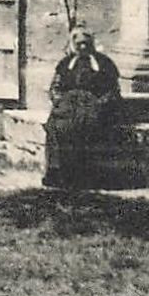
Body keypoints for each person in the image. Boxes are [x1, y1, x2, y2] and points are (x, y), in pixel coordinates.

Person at [43, 27, 131, 189]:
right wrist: (62, 103)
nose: (83, 47)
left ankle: (91, 177)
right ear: (74, 45)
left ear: (91, 44)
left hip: (98, 110)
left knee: (90, 127)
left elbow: (113, 91)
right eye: (79, 44)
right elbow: (55, 89)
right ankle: (60, 175)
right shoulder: (65, 64)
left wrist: (98, 104)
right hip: (68, 110)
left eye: (86, 43)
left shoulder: (105, 63)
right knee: (59, 127)